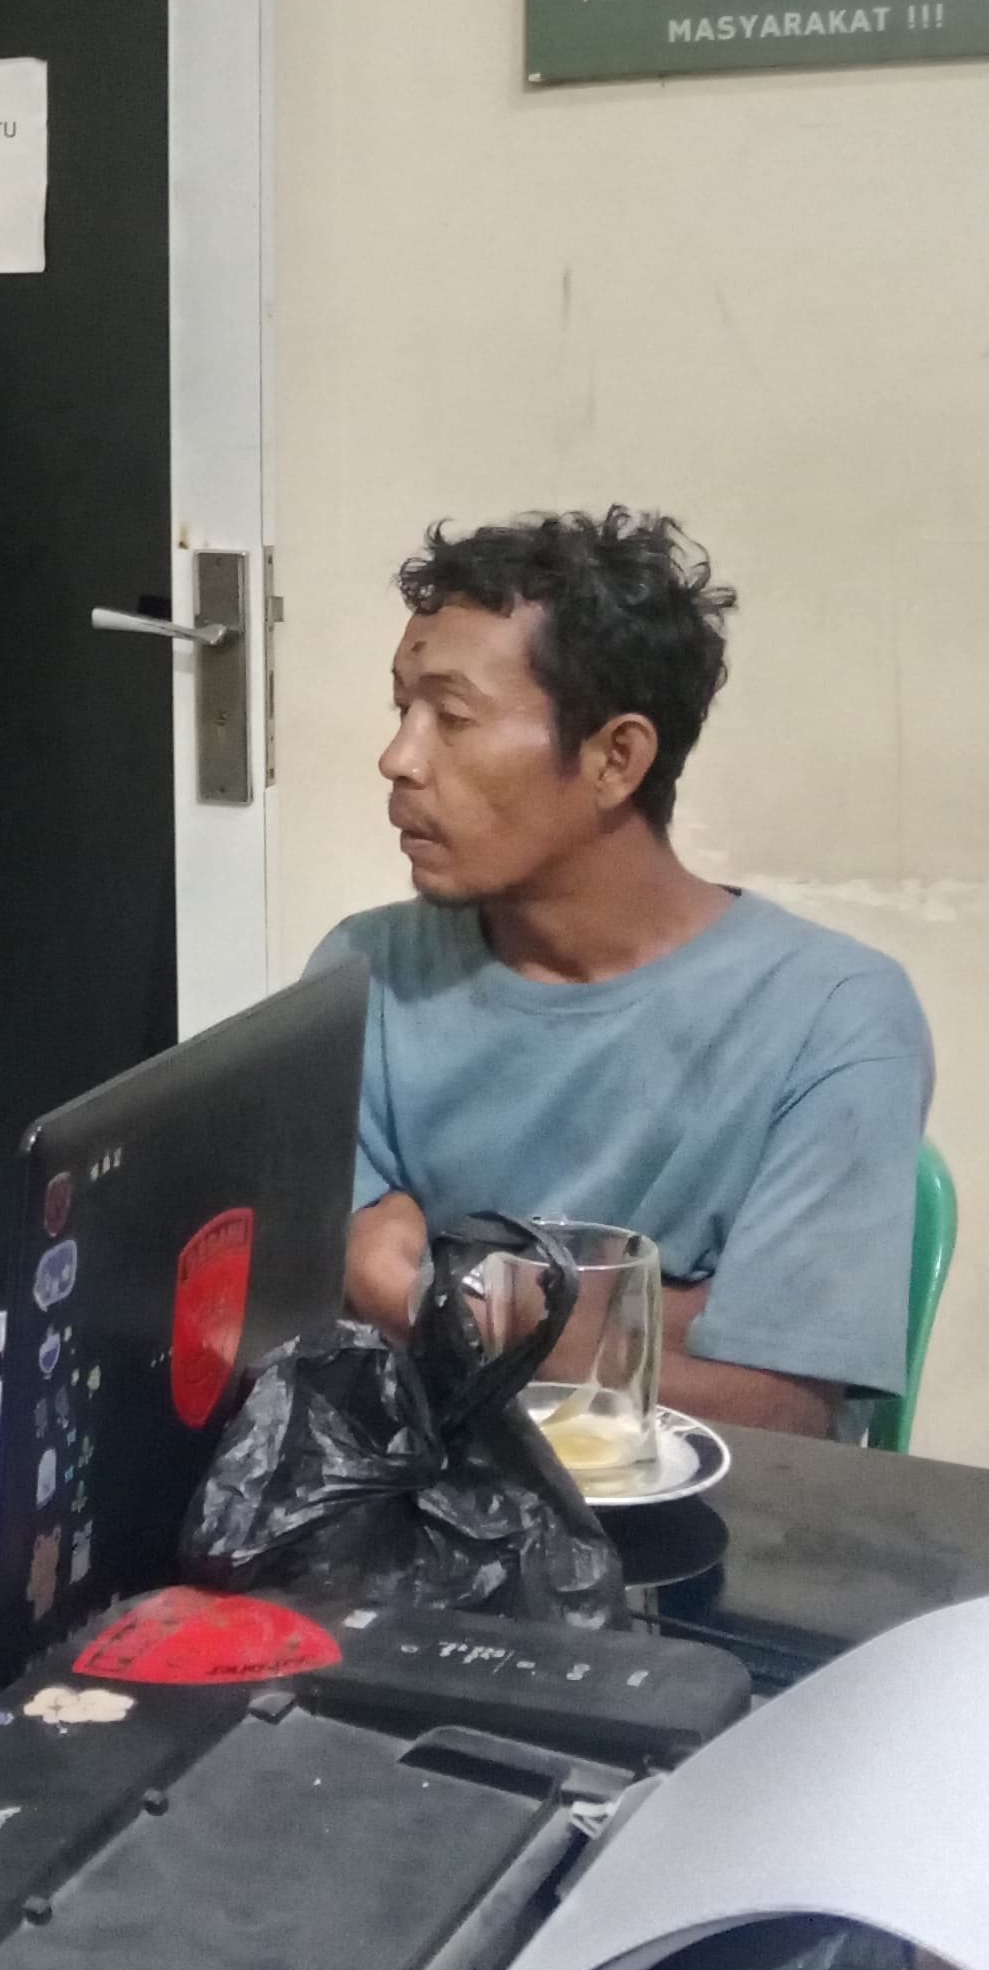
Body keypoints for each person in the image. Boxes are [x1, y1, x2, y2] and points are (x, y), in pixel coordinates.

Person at [324, 508, 931, 1435]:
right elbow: (325, 1290)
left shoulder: (833, 1016)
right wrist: (649, 1315)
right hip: (415, 1492)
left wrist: (449, 1301)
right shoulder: (365, 973)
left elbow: (778, 1414)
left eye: (452, 716)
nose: (398, 758)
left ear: (617, 758)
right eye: (401, 710)